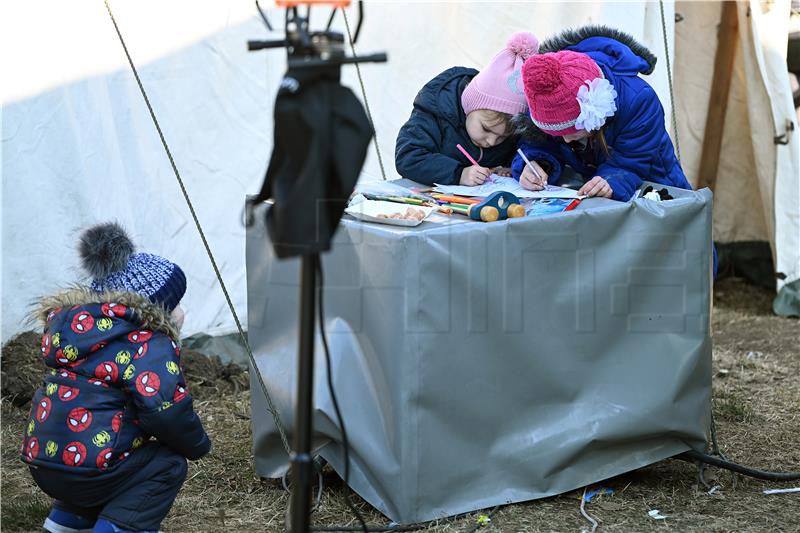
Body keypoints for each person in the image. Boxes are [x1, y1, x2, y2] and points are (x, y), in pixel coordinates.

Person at [22, 222, 211, 533]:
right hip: (91, 467)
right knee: (166, 464)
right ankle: (121, 528)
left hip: (44, 460)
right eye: (177, 304)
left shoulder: (78, 332)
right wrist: (197, 444)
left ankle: (66, 523)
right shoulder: (149, 344)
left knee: (101, 452)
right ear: (158, 310)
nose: (182, 312)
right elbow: (165, 410)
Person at [512, 26, 693, 200]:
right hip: (597, 192)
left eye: (573, 131)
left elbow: (632, 160)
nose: (566, 140)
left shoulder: (639, 100)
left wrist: (610, 182)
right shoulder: (545, 95)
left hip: (658, 190)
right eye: (558, 134)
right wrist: (536, 163)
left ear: (596, 106)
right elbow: (538, 143)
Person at [395, 32, 547, 186]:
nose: (491, 141)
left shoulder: (502, 127)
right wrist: (458, 173)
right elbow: (408, 157)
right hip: (425, 202)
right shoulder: (435, 112)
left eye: (502, 137)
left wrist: (512, 168)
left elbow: (522, 151)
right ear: (470, 105)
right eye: (486, 129)